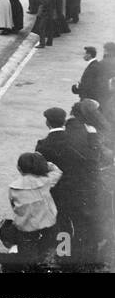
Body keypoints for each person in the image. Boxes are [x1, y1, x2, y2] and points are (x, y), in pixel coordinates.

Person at [35, 106, 102, 267]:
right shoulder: (75, 140)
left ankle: (64, 256)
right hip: (79, 188)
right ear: (64, 121)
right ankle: (85, 257)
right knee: (81, 222)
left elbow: (40, 173)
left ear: (47, 123)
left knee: (62, 224)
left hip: (57, 192)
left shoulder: (43, 145)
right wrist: (92, 135)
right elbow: (93, 159)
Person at [8, 151, 63, 263]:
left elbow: (14, 207)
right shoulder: (45, 181)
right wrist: (47, 164)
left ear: (19, 168)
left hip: (26, 231)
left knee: (28, 259)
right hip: (48, 227)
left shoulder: (13, 188)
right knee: (48, 255)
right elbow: (57, 171)